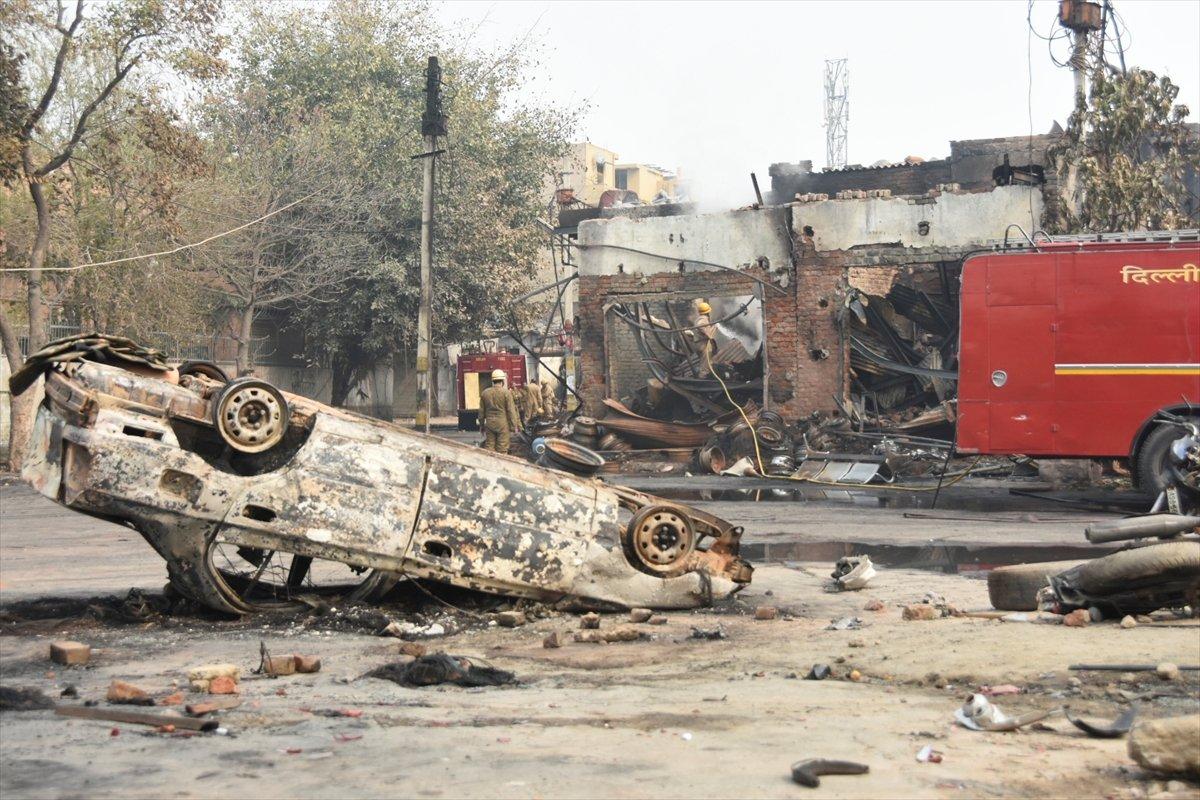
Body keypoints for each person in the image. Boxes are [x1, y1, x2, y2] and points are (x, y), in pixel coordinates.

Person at [480, 369, 520, 453]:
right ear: (502, 381)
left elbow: (481, 413)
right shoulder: (506, 393)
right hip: (502, 424)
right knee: (502, 449)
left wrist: (481, 426)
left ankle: (489, 465)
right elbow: (511, 411)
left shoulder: (485, 393)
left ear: (493, 380)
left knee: (489, 448)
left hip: (489, 423)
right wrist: (514, 426)